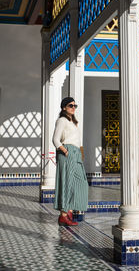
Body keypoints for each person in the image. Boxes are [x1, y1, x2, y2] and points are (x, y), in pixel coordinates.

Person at [52, 96, 88, 226]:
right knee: (67, 183)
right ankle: (64, 215)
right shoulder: (62, 120)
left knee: (81, 183)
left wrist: (81, 153)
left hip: (76, 153)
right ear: (64, 108)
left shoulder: (74, 122)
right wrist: (65, 151)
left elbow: (78, 140)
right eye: (70, 106)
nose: (73, 108)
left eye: (74, 106)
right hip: (67, 152)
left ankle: (70, 210)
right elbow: (55, 139)